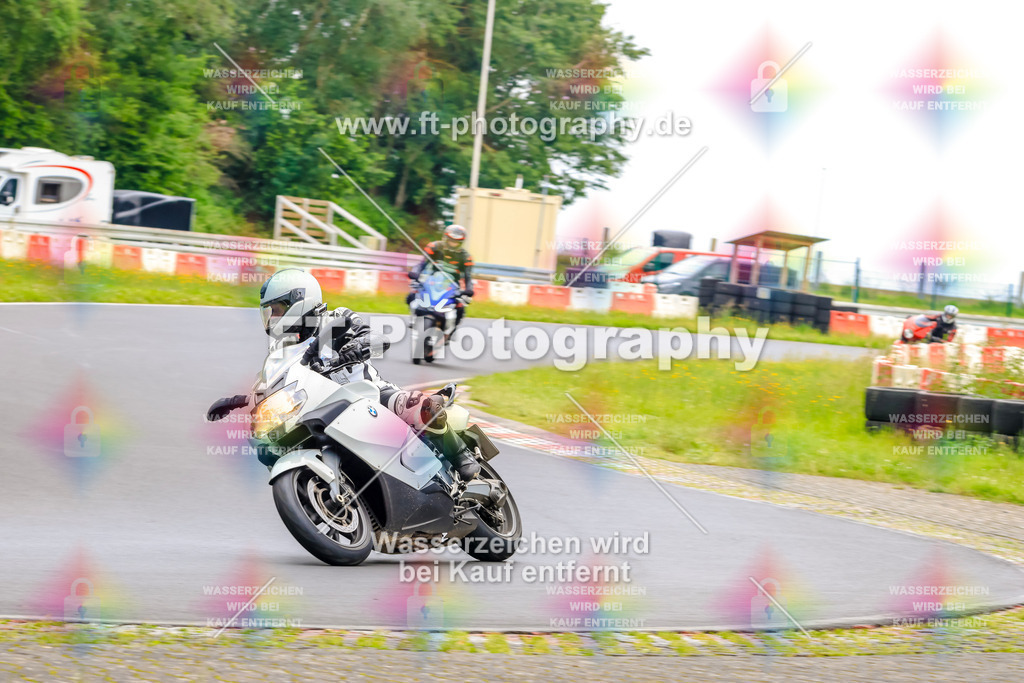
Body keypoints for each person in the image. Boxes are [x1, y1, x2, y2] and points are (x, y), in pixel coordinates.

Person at [206, 269, 480, 480]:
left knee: (418, 406)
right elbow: (272, 386)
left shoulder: (336, 318)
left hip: (370, 393)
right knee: (268, 441)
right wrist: (236, 401)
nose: (273, 318)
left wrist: (352, 350)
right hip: (323, 408)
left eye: (277, 310)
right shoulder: (281, 350)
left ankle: (460, 456)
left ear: (299, 301)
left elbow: (377, 338)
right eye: (269, 312)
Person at [407, 225, 474, 331]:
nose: (453, 244)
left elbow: (468, 276)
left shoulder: (465, 257)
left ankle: (451, 330)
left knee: (460, 307)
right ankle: (413, 319)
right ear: (445, 238)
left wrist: (469, 290)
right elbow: (422, 264)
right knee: (412, 295)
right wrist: (415, 276)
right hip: (432, 280)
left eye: (456, 242)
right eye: (451, 240)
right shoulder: (434, 247)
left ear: (461, 243)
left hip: (452, 285)